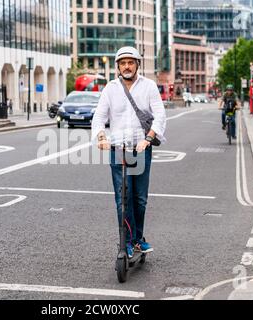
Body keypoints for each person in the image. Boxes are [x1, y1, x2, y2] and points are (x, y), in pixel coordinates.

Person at [91, 46, 167, 258]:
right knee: (122, 198)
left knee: (140, 198)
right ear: (117, 67)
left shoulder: (149, 86)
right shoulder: (110, 89)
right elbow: (99, 117)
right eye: (123, 63)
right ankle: (126, 242)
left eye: (130, 62)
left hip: (141, 149)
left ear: (137, 65)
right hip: (118, 150)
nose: (127, 66)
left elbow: (160, 116)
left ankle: (138, 239)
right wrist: (101, 137)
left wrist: (148, 139)